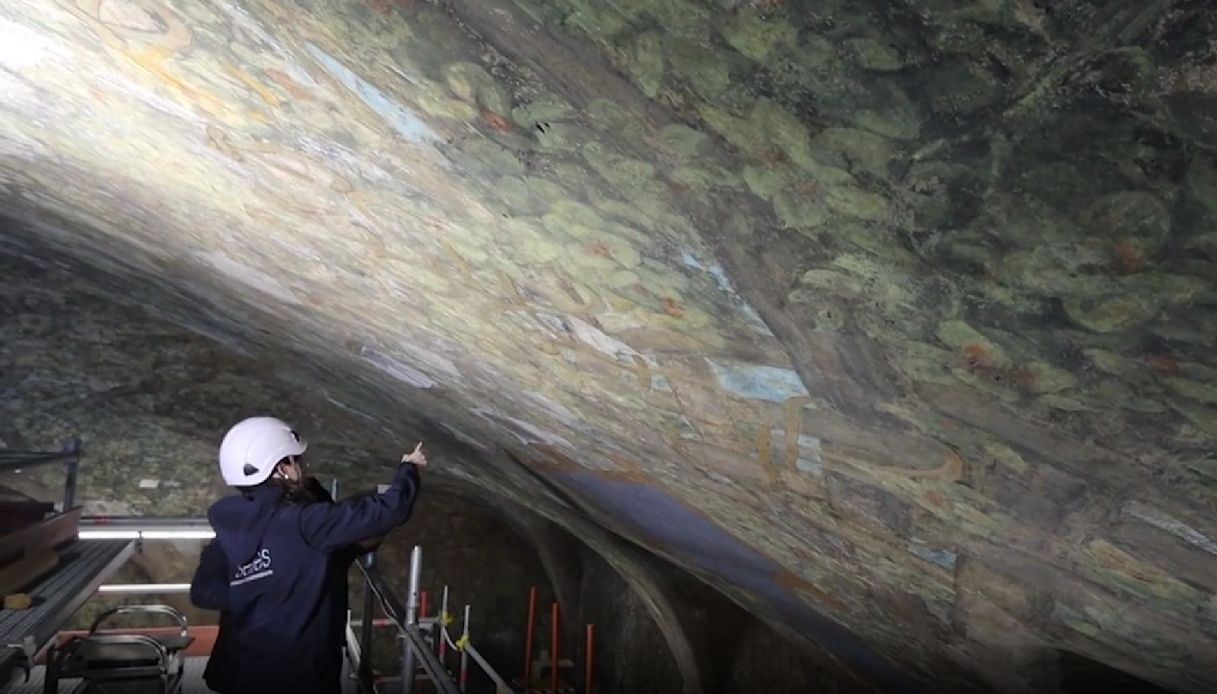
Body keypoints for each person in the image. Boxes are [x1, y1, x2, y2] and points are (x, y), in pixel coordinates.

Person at [189, 416, 425, 694]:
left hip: (250, 671)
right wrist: (409, 468)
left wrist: (258, 593)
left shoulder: (230, 533)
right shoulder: (303, 521)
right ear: (282, 469)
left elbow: (302, 563)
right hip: (303, 673)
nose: (302, 467)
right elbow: (390, 509)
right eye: (296, 460)